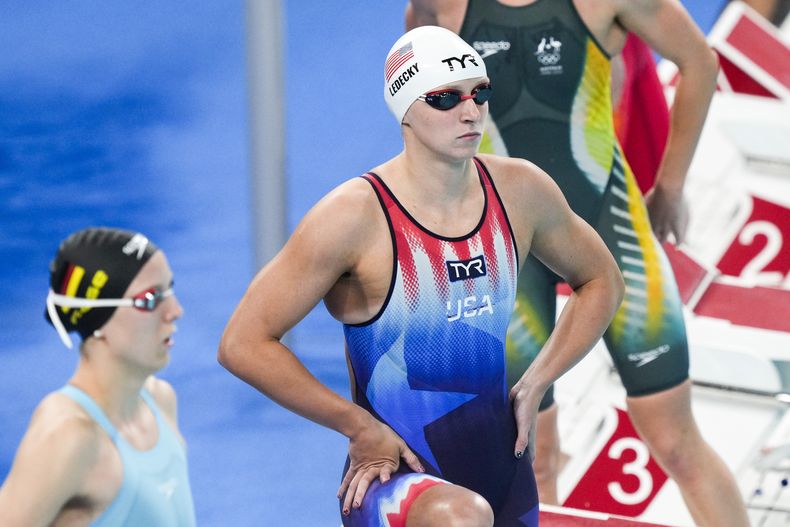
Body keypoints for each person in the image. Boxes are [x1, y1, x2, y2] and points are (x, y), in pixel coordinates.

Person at [218, 25, 623, 526]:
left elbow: (602, 281)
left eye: (480, 93)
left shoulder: (520, 190)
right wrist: (357, 426)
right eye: (445, 99)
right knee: (460, 518)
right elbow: (243, 342)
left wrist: (537, 381)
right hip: (397, 480)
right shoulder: (352, 217)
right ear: (404, 110)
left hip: (503, 470)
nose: (470, 110)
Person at [406, 1, 750, 525]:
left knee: (675, 441)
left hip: (610, 231)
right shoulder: (437, 6)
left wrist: (672, 185)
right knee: (528, 455)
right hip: (506, 250)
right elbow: (413, 109)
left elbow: (699, 61)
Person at [0, 227, 195, 527]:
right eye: (149, 299)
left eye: (170, 289)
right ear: (97, 320)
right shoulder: (67, 436)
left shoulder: (160, 401)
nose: (175, 310)